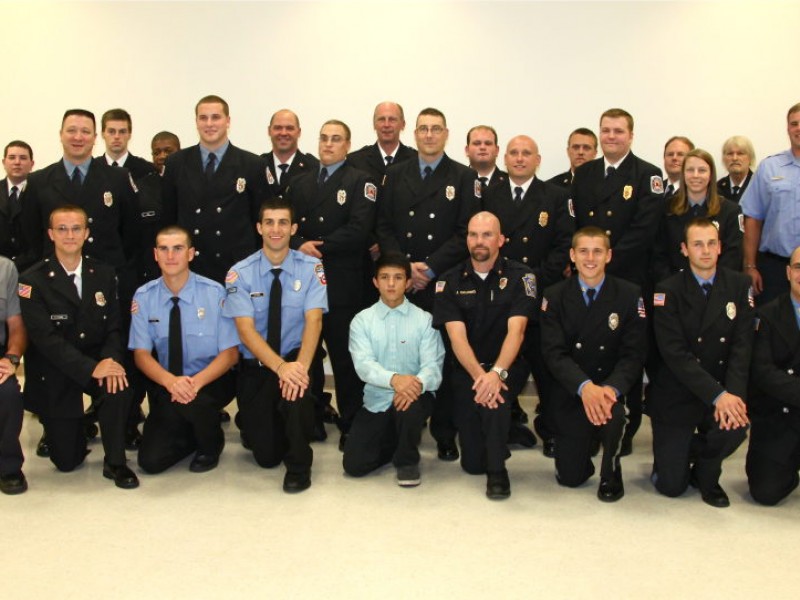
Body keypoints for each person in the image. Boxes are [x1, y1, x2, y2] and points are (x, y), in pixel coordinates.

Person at [376, 107, 481, 461]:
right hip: (401, 280)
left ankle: (444, 431)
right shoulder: (396, 173)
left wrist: (430, 268)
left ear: (446, 134)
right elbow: (384, 226)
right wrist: (405, 269)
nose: (430, 135)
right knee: (402, 352)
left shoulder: (464, 177)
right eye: (423, 129)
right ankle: (405, 422)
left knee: (445, 358)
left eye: (436, 129)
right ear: (415, 133)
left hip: (443, 281)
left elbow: (465, 230)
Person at [19, 205, 138, 489]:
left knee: (117, 383)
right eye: (62, 229)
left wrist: (109, 361)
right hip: (56, 371)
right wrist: (92, 367)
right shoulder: (32, 281)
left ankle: (116, 461)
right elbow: (46, 340)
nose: (69, 235)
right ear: (51, 234)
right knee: (66, 462)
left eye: (76, 229)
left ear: (86, 233)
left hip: (97, 358)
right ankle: (78, 425)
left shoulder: (105, 274)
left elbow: (113, 328)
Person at [571, 108, 664, 453]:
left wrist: (604, 263)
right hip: (588, 278)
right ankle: (588, 423)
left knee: (628, 353)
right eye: (606, 131)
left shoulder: (648, 175)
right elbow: (579, 222)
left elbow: (644, 231)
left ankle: (625, 427)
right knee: (590, 348)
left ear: (631, 136)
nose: (611, 136)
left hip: (627, 280)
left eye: (618, 131)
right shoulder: (586, 173)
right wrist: (589, 263)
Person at [223, 198, 328, 493]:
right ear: (259, 228)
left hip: (297, 358)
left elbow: (314, 322)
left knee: (296, 395)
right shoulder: (239, 273)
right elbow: (245, 331)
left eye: (283, 222)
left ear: (293, 228)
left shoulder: (311, 268)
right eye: (269, 222)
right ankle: (260, 422)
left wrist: (298, 369)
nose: (276, 229)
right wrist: (279, 367)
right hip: (258, 366)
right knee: (267, 457)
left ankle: (299, 466)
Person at [649, 217, 754, 507]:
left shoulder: (739, 285)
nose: (705, 251)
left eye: (711, 243)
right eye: (697, 244)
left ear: (720, 247)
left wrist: (731, 396)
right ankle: (678, 456)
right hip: (679, 392)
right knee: (671, 487)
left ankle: (707, 474)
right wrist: (717, 395)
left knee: (735, 424)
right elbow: (675, 355)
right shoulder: (666, 290)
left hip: (721, 384)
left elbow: (741, 349)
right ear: (684, 249)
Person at [433, 212, 537, 499]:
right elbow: (457, 337)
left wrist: (496, 374)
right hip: (467, 370)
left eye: (487, 234)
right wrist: (482, 377)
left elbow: (516, 332)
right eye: (473, 235)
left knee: (495, 403)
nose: (479, 241)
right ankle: (506, 432)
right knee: (471, 464)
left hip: (507, 367)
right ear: (467, 239)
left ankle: (498, 473)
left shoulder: (522, 276)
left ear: (501, 239)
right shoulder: (448, 281)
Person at [285, 119, 376, 447]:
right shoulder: (299, 182)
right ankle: (308, 418)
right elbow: (287, 225)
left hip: (343, 283)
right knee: (304, 353)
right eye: (323, 138)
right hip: (304, 282)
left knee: (343, 356)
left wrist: (315, 247)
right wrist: (298, 246)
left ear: (347, 145)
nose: (328, 144)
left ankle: (351, 419)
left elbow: (359, 229)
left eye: (336, 139)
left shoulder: (360, 181)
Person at [482, 134, 574, 455]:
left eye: (527, 153)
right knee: (503, 364)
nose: (520, 159)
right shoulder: (489, 195)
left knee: (545, 368)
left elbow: (564, 246)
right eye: (514, 153)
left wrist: (532, 282)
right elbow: (481, 244)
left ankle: (550, 429)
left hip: (542, 295)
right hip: (499, 295)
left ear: (538, 160)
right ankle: (504, 426)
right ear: (504, 159)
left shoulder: (556, 196)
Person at [540, 227, 646, 502]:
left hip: (609, 389)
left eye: (597, 251)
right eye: (583, 251)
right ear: (572, 256)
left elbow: (633, 355)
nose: (590, 258)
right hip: (572, 392)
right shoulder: (554, 296)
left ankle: (611, 467)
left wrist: (609, 389)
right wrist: (584, 388)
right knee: (570, 478)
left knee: (616, 415)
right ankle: (585, 441)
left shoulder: (629, 294)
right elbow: (554, 354)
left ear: (609, 256)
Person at [130, 226, 238, 474]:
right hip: (170, 383)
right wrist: (171, 382)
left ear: (191, 254)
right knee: (151, 462)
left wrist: (195, 383)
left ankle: (211, 445)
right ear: (155, 254)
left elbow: (230, 354)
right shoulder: (144, 297)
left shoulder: (214, 293)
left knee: (197, 404)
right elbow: (141, 355)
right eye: (164, 249)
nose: (170, 256)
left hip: (210, 380)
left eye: (178, 249)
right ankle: (192, 434)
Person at [344, 252, 444, 486]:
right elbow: (364, 366)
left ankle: (407, 461)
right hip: (377, 399)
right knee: (354, 466)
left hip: (415, 396)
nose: (391, 284)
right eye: (385, 277)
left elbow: (433, 367)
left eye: (398, 278)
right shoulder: (361, 321)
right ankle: (395, 442)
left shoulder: (425, 320)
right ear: (375, 282)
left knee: (408, 409)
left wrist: (413, 385)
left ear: (408, 283)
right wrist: (395, 380)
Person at [161, 94, 270, 284]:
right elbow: (168, 218)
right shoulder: (176, 163)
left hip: (236, 269)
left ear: (228, 121)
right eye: (203, 118)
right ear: (196, 122)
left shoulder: (252, 165)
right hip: (191, 268)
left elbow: (260, 222)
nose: (209, 124)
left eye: (216, 117)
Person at [745, 245, 800, 505]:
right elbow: (763, 372)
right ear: (788, 272)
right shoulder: (766, 315)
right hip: (778, 416)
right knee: (765, 493)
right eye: (798, 268)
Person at [651, 148, 743, 285]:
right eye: (690, 170)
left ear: (711, 175)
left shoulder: (730, 210)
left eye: (702, 170)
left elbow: (732, 257)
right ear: (683, 174)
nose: (695, 175)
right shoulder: (666, 208)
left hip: (716, 288)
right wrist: (673, 286)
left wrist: (710, 284)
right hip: (674, 288)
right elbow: (658, 255)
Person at [741, 102, 800, 306]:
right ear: (787, 129)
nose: (799, 128)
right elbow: (753, 220)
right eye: (794, 123)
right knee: (773, 329)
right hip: (774, 268)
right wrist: (750, 266)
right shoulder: (769, 167)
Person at [0, 256, 27, 494]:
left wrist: (11, 358)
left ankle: (9, 466)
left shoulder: (5, 268)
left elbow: (16, 325)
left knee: (8, 392)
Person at [348, 101, 417, 180]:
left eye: (392, 119)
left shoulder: (416, 161)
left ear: (403, 125)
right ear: (374, 124)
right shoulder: (355, 162)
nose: (386, 125)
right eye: (381, 119)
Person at [262, 109, 319, 197]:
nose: (283, 133)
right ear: (269, 131)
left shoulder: (314, 168)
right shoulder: (258, 167)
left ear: (299, 132)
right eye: (278, 128)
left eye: (289, 128)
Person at [95, 108, 157, 180]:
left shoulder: (146, 170)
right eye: (111, 131)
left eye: (122, 132)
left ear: (129, 135)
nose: (117, 136)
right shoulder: (90, 169)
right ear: (103, 134)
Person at [0, 140, 34, 266]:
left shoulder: (40, 193)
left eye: (23, 158)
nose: (17, 162)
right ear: (4, 162)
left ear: (32, 164)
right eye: (12, 157)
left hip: (31, 268)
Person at [465, 125, 506, 189]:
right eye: (477, 143)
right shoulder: (456, 181)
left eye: (488, 143)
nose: (482, 147)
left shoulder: (510, 182)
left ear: (497, 150)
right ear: (467, 150)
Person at [717, 135, 755, 203]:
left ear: (750, 158)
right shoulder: (717, 188)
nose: (734, 158)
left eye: (740, 154)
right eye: (730, 154)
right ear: (723, 159)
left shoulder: (759, 185)